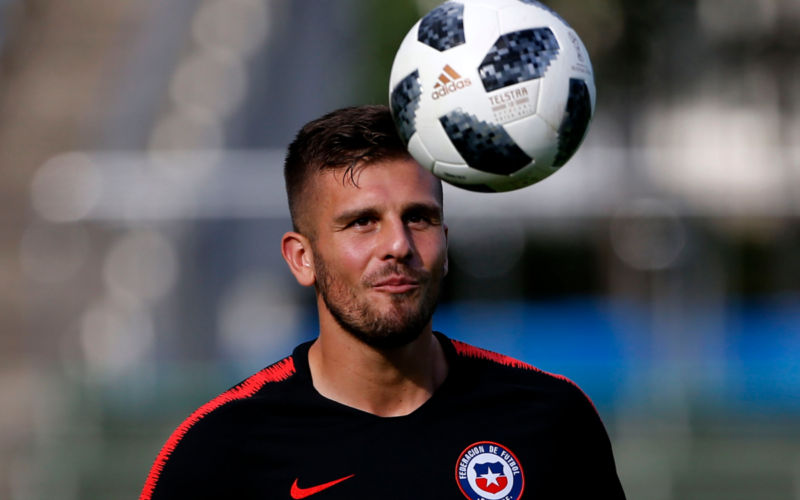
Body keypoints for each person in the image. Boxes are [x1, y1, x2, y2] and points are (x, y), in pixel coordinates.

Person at [139, 105, 626, 500]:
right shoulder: (217, 452)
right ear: (302, 258)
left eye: (419, 218)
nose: (398, 245)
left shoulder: (551, 419)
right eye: (362, 222)